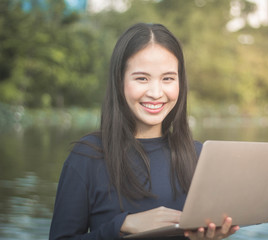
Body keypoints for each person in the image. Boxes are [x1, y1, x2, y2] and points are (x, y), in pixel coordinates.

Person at [49, 23, 240, 240]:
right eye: (142, 78)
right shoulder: (87, 157)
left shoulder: (200, 156)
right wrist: (122, 225)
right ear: (119, 81)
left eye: (168, 78)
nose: (156, 93)